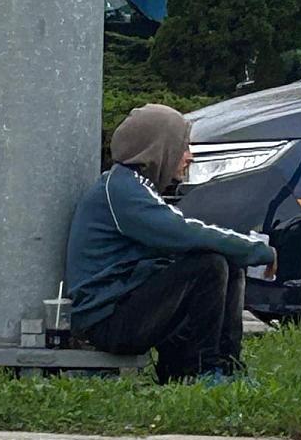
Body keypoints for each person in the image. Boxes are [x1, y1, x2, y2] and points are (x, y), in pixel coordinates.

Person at [66, 104, 277, 383]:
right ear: (159, 148)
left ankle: (224, 368)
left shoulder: (133, 186)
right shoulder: (123, 191)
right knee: (208, 265)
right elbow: (186, 233)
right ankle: (201, 372)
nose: (188, 156)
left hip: (123, 306)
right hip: (106, 322)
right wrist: (257, 250)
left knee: (226, 261)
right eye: (183, 146)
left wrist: (239, 253)